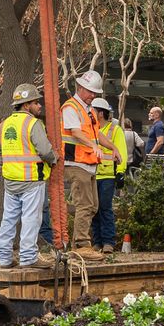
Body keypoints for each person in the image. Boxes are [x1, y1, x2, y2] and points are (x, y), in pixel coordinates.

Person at [0, 83, 56, 269]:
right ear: (26, 105)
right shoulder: (33, 123)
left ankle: (4, 258)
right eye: (36, 102)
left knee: (9, 219)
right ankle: (28, 257)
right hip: (31, 180)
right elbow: (45, 151)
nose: (39, 106)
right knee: (31, 219)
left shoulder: (4, 125)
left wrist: (10, 166)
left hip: (11, 181)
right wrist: (54, 158)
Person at [61, 70, 114, 260]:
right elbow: (75, 132)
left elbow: (96, 134)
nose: (93, 95)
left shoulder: (88, 110)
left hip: (89, 164)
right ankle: (81, 246)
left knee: (93, 205)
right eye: (91, 91)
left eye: (95, 92)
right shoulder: (70, 108)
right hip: (76, 163)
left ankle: (83, 244)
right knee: (84, 205)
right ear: (81, 88)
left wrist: (112, 147)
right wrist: (94, 146)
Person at [91, 97, 132, 252]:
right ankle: (97, 242)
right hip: (93, 175)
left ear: (100, 113)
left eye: (93, 110)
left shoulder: (115, 130)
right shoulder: (90, 130)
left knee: (105, 208)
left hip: (108, 176)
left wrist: (120, 172)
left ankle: (108, 242)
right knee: (94, 208)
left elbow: (121, 151)